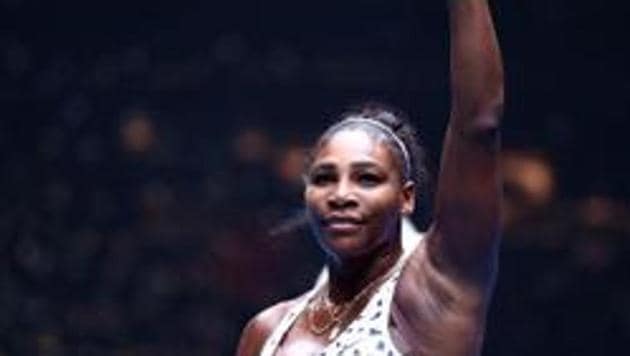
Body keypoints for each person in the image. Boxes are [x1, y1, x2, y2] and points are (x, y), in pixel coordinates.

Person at [237, 0, 504, 354]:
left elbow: (479, 122)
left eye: (367, 178)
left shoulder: (434, 293)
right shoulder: (265, 331)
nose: (341, 194)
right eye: (324, 178)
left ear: (406, 197)